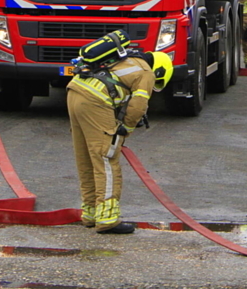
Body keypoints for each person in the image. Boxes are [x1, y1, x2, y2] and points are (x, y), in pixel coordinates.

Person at [66, 30, 174, 234]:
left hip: (75, 92)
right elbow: (139, 104)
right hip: (95, 101)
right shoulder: (146, 73)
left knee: (87, 157)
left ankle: (90, 213)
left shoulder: (127, 59)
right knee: (107, 157)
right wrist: (126, 128)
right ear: (160, 71)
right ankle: (107, 218)